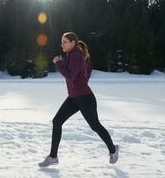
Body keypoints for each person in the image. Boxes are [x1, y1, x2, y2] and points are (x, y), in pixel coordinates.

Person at [38, 32, 119, 167]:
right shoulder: (74, 56)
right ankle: (53, 156)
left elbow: (70, 76)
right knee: (57, 121)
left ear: (73, 43)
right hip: (74, 97)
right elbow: (83, 74)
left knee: (95, 126)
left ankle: (113, 149)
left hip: (85, 98)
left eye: (64, 41)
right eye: (61, 41)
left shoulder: (75, 56)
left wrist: (58, 63)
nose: (62, 44)